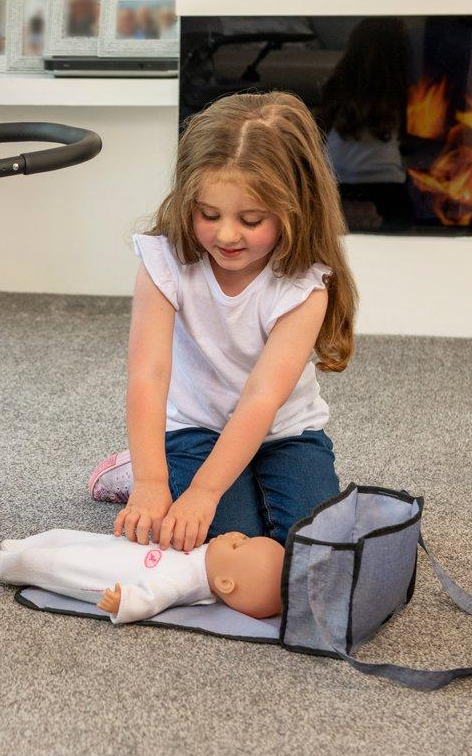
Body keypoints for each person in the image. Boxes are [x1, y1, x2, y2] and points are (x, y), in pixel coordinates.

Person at [87, 90, 357, 550]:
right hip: (195, 427)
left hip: (284, 432)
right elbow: (148, 375)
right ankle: (137, 468)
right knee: (224, 544)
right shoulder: (164, 261)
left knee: (310, 547)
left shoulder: (305, 286)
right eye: (209, 214)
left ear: (295, 209)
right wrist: (152, 483)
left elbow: (261, 398)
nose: (227, 234)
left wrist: (206, 492)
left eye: (251, 220)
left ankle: (195, 479)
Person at [0, 528, 285, 624]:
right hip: (116, 548)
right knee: (67, 537)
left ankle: (10, 566)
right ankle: (23, 544)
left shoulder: (187, 580)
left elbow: (152, 597)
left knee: (54, 565)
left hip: (102, 573)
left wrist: (124, 602)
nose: (236, 534)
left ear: (225, 584)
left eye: (238, 545)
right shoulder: (203, 553)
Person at [316, 17, 416, 227]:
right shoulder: (401, 93)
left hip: (335, 184)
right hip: (386, 188)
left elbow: (320, 135)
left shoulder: (336, 89)